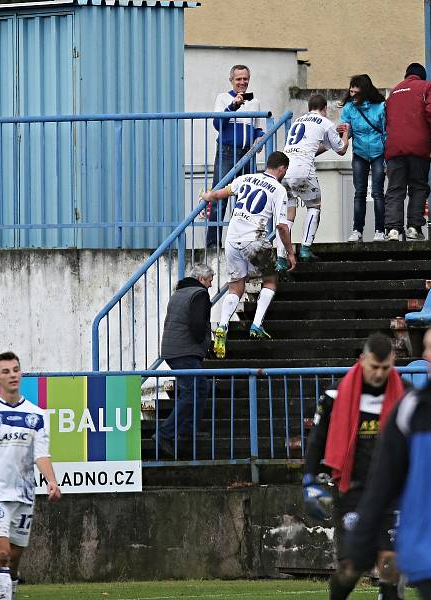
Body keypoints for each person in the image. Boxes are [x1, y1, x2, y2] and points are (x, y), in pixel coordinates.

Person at [346, 321, 431, 599]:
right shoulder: (412, 409)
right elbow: (382, 481)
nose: (427, 354)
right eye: (427, 346)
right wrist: (360, 543)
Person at [303, 333, 406, 600]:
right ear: (362, 361)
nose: (379, 374)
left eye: (385, 368)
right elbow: (317, 439)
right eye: (374, 367)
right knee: (352, 567)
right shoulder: (335, 396)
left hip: (393, 490)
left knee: (390, 562)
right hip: (353, 489)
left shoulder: (406, 395)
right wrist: (309, 479)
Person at [0, 352, 61, 600]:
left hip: (23, 494)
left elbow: (41, 454)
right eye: (5, 371)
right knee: (2, 555)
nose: (12, 375)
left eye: (15, 369)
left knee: (14, 559)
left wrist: (51, 481)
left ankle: (10, 590)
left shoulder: (36, 415)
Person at [200, 151, 295, 358]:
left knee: (235, 286)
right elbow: (281, 225)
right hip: (255, 239)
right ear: (282, 169)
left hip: (232, 240)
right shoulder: (278, 190)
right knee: (270, 280)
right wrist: (289, 252)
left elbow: (220, 193)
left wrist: (207, 196)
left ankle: (223, 326)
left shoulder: (246, 178)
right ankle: (256, 324)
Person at [277, 95, 350, 266]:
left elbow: (311, 149)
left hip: (285, 170)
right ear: (325, 108)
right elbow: (342, 150)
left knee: (288, 214)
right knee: (314, 206)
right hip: (303, 171)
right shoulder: (325, 122)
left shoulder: (297, 121)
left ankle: (281, 259)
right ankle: (305, 249)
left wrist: (330, 143)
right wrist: (345, 134)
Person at [155, 264, 214, 458]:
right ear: (201, 279)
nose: (211, 284)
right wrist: (203, 345)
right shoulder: (199, 294)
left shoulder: (179, 293)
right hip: (185, 351)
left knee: (198, 388)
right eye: (210, 280)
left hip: (174, 350)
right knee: (192, 392)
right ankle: (165, 433)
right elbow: (197, 324)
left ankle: (188, 429)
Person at [384, 63, 431, 242]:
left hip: (394, 148)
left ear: (406, 75)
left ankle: (393, 230)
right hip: (418, 146)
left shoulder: (394, 92)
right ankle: (413, 228)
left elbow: (386, 119)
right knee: (418, 186)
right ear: (422, 76)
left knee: (395, 188)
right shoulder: (428, 87)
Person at [206, 65, 265, 249]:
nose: (242, 82)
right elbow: (217, 124)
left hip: (248, 154)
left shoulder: (255, 101)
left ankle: (240, 242)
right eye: (238, 79)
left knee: (245, 200)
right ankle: (213, 245)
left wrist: (260, 140)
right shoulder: (223, 98)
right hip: (227, 151)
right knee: (219, 197)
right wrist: (233, 106)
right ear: (231, 80)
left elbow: (258, 128)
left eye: (245, 79)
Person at [339, 74, 387, 242]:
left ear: (364, 91)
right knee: (359, 193)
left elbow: (386, 131)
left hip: (378, 153)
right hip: (359, 153)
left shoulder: (381, 106)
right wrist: (342, 132)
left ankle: (380, 230)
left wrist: (387, 156)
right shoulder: (349, 108)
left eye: (355, 90)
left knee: (377, 193)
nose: (352, 93)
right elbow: (347, 132)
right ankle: (357, 230)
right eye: (350, 90)